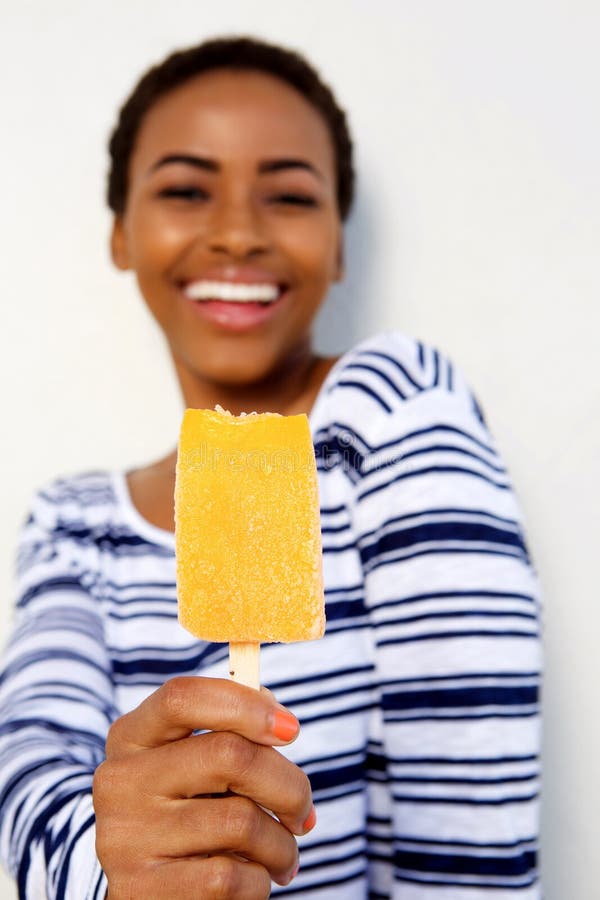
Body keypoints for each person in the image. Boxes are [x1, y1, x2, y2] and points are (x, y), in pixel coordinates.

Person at [0, 36, 542, 899]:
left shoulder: (391, 409)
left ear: (337, 248)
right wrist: (112, 866)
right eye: (185, 189)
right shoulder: (71, 522)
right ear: (121, 236)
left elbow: (472, 829)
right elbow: (27, 788)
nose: (239, 233)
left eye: (289, 195)